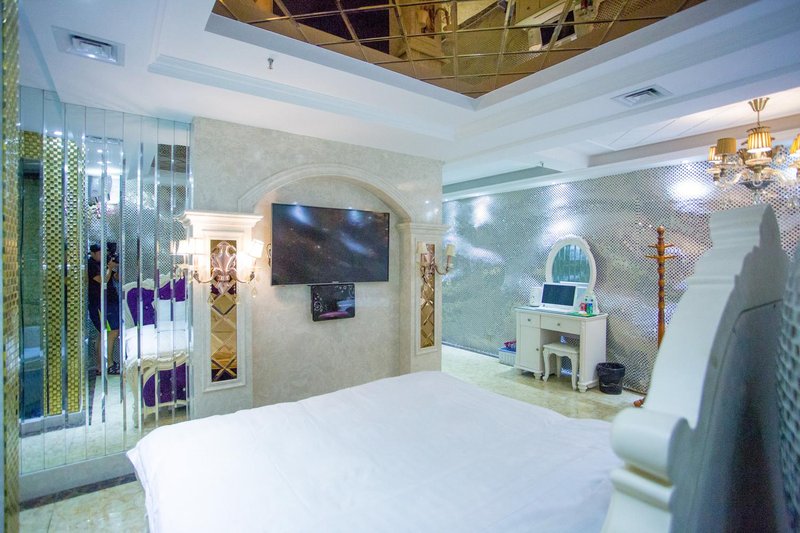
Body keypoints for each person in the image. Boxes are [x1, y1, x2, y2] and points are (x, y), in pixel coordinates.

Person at [88, 243, 120, 375]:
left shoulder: (103, 263)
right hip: (100, 303)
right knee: (112, 332)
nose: (102, 255)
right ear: (93, 253)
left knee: (103, 333)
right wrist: (110, 268)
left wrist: (116, 268)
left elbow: (116, 278)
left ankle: (101, 366)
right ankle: (109, 364)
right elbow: (103, 280)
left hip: (109, 301)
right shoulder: (91, 265)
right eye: (99, 253)